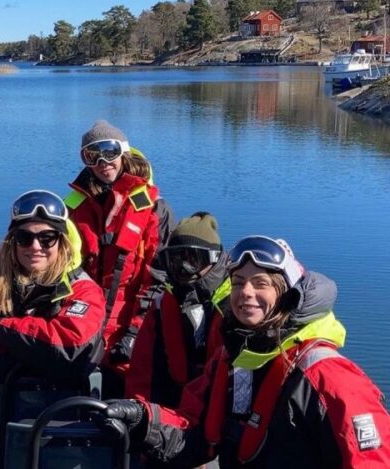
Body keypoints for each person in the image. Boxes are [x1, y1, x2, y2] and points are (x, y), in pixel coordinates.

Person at [95, 235, 390, 468]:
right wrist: (143, 419)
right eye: (238, 283)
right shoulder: (231, 359)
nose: (246, 292)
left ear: (287, 295)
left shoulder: (328, 376)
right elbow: (194, 430)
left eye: (261, 283)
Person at [0, 190, 106, 467]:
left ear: (61, 242)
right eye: (25, 237)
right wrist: (28, 358)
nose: (35, 246)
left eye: (47, 238)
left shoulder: (83, 290)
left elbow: (72, 347)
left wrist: (0, 330)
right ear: (13, 242)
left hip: (55, 421)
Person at [66, 120, 173, 393]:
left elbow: (157, 278)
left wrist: (136, 332)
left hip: (130, 324)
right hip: (87, 320)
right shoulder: (75, 206)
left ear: (123, 152)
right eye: (93, 155)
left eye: (109, 152)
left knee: (127, 394)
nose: (103, 162)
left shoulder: (153, 208)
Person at [125, 212, 230, 407]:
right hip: (174, 405)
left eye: (192, 260)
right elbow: (143, 373)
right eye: (175, 260)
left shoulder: (236, 308)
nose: (183, 268)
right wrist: (140, 413)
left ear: (213, 260)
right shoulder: (161, 307)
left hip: (217, 407)